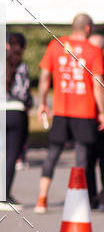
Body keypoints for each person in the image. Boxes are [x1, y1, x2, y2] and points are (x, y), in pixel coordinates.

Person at [34, 14, 104, 213]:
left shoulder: (56, 45)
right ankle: (80, 202)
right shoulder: (94, 50)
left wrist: (42, 103)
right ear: (88, 29)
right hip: (85, 112)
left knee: (52, 154)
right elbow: (97, 84)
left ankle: (42, 198)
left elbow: (45, 76)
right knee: (82, 158)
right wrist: (102, 111)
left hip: (61, 110)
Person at [0, 33, 32, 211]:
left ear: (7, 45)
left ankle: (0, 192)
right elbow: (23, 93)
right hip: (16, 111)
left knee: (2, 154)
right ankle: (4, 196)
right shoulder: (22, 66)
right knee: (12, 155)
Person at [88, 33, 104, 210]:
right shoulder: (83, 64)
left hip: (100, 118)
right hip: (87, 120)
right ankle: (91, 197)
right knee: (88, 160)